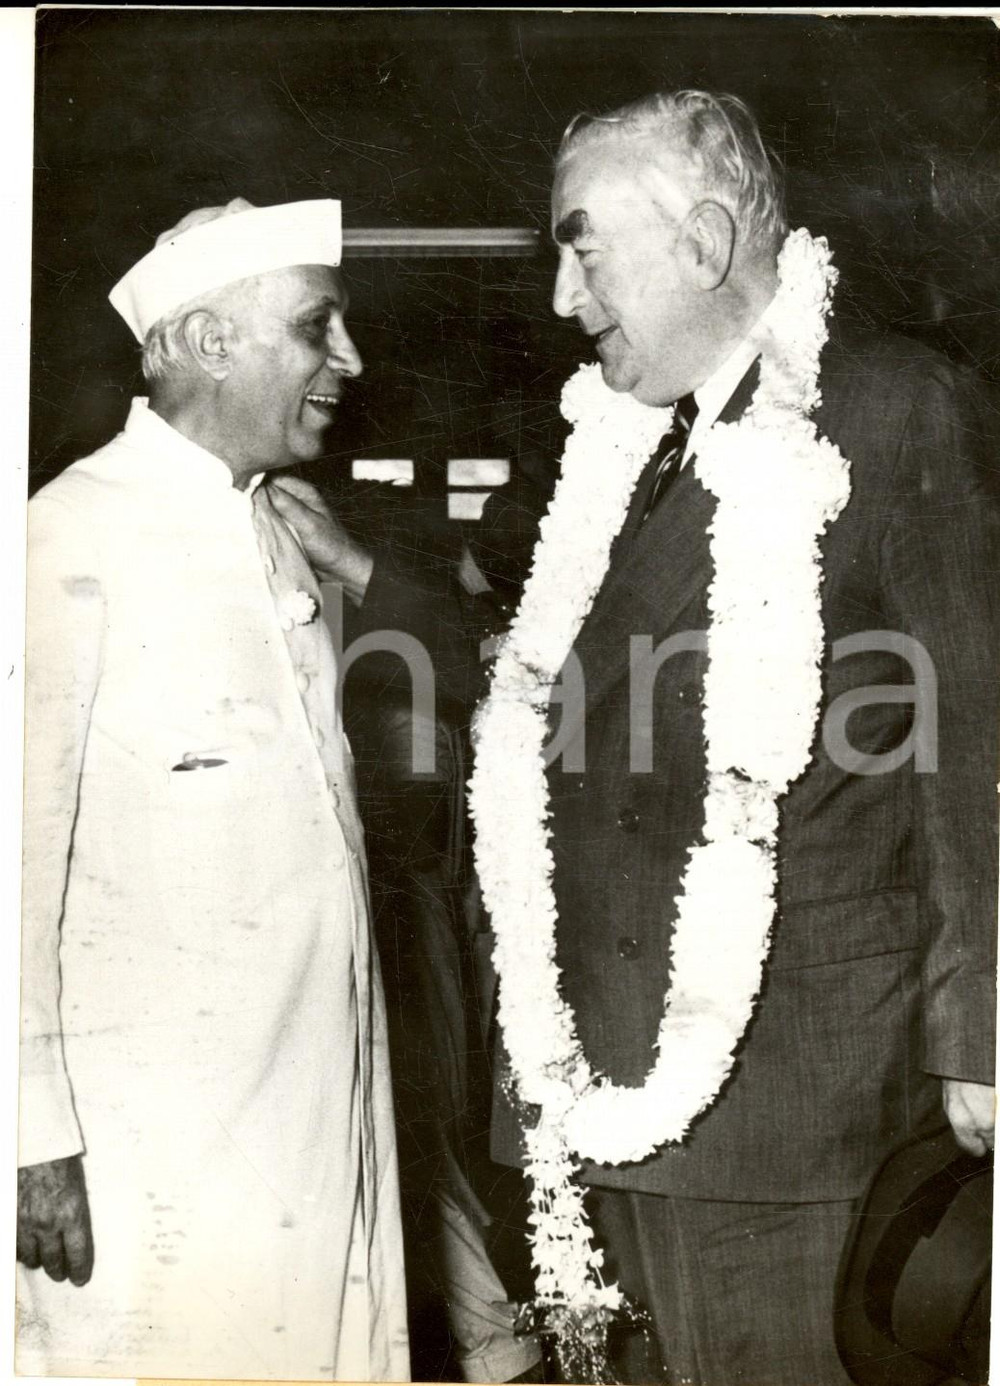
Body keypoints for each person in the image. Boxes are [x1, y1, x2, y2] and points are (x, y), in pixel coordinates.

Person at [480, 90, 999, 1384]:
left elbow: (982, 743)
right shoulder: (621, 444)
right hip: (597, 1094)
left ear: (703, 242)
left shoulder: (892, 410)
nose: (560, 296)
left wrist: (982, 1035)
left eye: (581, 247)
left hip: (789, 1105)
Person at [16, 196, 409, 1381]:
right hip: (158, 1146)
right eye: (317, 326)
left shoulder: (280, 528)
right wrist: (29, 1137)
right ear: (204, 341)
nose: (350, 360)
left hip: (319, 1099)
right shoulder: (64, 537)